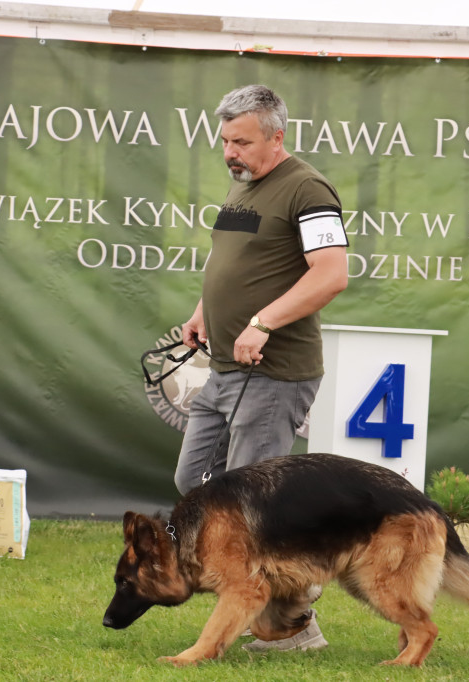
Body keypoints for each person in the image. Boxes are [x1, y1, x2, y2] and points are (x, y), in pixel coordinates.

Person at [174, 84, 349, 652]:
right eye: (225, 140)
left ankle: (292, 626)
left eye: (242, 141)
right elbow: (234, 257)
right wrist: (205, 310)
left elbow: (330, 274)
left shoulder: (308, 189)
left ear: (277, 137)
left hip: (275, 375)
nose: (230, 151)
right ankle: (288, 600)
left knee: (253, 510)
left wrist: (264, 322)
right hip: (224, 368)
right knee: (191, 481)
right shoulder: (243, 184)